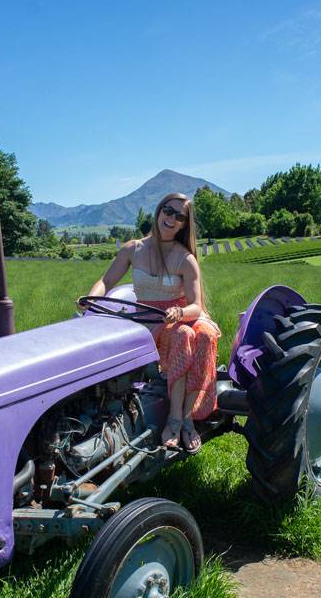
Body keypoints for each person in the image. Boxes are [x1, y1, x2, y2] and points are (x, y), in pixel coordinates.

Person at [82, 193, 220, 453]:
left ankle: (183, 419)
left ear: (184, 224)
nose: (172, 218)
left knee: (201, 335)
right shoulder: (133, 249)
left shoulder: (185, 258)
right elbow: (106, 281)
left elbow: (196, 305)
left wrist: (179, 312)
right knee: (182, 336)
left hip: (182, 315)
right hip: (149, 319)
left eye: (180, 216)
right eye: (168, 210)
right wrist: (91, 299)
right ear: (159, 211)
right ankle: (174, 417)